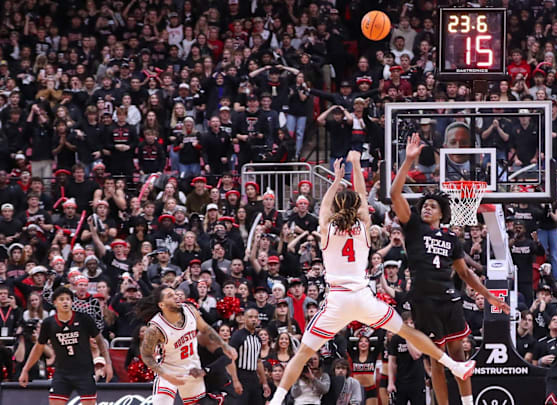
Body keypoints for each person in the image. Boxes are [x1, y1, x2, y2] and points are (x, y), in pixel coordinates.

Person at [269, 151, 483, 405]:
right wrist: (357, 165)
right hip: (362, 297)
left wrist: (336, 179)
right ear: (357, 210)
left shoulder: (326, 227)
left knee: (302, 354)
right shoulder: (363, 227)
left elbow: (326, 206)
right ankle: (454, 366)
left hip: (337, 300)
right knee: (406, 331)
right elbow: (361, 195)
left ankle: (276, 400)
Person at [390, 134, 510, 405]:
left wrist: (490, 296)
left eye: (432, 206)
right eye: (425, 206)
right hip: (424, 301)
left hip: (449, 298)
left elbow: (466, 274)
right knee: (436, 362)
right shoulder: (413, 228)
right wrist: (409, 160)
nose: (427, 208)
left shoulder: (452, 239)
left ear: (442, 213)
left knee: (460, 356)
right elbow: (395, 193)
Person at [136, 287, 236, 405]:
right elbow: (146, 355)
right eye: (170, 295)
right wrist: (165, 375)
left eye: (175, 293)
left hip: (192, 370)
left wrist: (224, 345)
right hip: (168, 371)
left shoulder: (190, 311)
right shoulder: (155, 328)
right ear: (162, 305)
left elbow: (205, 329)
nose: (176, 296)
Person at [19, 287, 113, 405]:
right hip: (62, 373)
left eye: (68, 299)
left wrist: (108, 364)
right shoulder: (48, 323)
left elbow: (100, 341)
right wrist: (25, 369)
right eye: (61, 299)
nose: (65, 302)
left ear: (72, 302)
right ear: (55, 303)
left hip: (84, 372)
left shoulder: (84, 319)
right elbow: (39, 347)